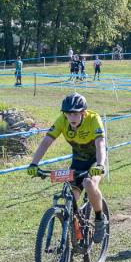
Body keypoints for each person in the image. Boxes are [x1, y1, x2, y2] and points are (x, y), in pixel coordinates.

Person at [26, 93, 107, 242]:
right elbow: (46, 141)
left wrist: (101, 164)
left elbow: (100, 143)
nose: (72, 117)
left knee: (89, 183)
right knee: (72, 198)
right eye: (69, 114)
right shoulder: (62, 121)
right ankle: (75, 235)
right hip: (78, 161)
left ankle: (99, 219)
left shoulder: (93, 119)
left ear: (83, 112)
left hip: (96, 160)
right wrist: (34, 163)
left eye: (76, 113)